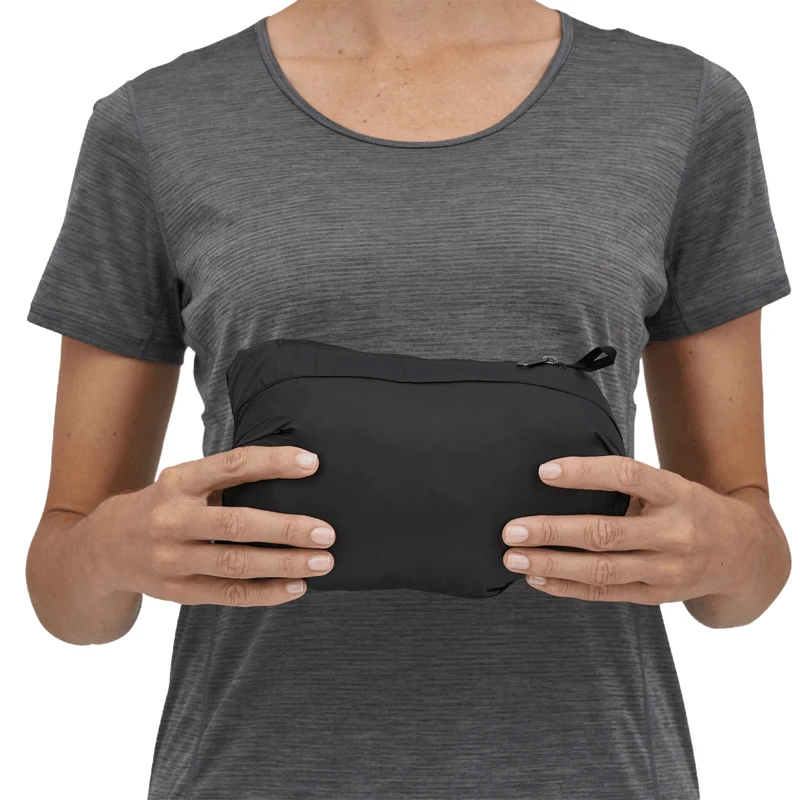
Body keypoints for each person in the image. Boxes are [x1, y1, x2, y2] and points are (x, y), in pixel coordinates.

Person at [25, 2, 792, 798]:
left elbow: (742, 578)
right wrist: (111, 549)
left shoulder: (681, 105)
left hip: (593, 772)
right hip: (251, 771)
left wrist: (723, 549)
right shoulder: (156, 121)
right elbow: (68, 597)